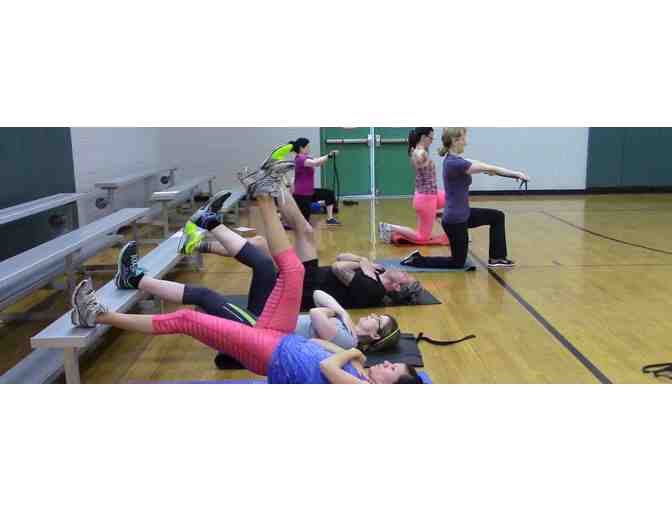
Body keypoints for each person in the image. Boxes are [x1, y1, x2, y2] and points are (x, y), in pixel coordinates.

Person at [73, 158, 421, 384]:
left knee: (188, 320)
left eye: (392, 370)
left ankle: (97, 315)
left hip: (269, 353)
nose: (386, 365)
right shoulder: (358, 369)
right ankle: (263, 194)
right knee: (294, 272)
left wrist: (352, 352)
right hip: (282, 338)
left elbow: (327, 367)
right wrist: (339, 347)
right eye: (392, 364)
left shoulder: (359, 384)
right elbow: (317, 344)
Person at [400, 128, 529, 270]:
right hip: (455, 221)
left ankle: (497, 258)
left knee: (497, 216)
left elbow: (485, 166)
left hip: (464, 214)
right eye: (463, 139)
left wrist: (492, 171)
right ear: (455, 141)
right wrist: (516, 174)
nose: (466, 142)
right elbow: (489, 167)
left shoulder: (456, 160)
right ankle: (416, 260)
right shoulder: (455, 164)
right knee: (457, 262)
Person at [378, 127, 449, 246]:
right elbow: (419, 158)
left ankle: (455, 233)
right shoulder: (419, 152)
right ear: (423, 137)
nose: (432, 141)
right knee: (422, 237)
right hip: (426, 199)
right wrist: (420, 156)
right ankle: (390, 227)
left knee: (454, 199)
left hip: (432, 195)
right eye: (431, 138)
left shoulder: (418, 151)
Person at [276, 138, 341, 226]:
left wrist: (328, 157)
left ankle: (330, 219)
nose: (309, 148)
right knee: (304, 222)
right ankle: (283, 220)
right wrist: (329, 155)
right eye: (307, 147)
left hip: (310, 192)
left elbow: (317, 162)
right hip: (301, 195)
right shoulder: (300, 159)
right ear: (301, 148)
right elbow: (315, 162)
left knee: (329, 194)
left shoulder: (307, 158)